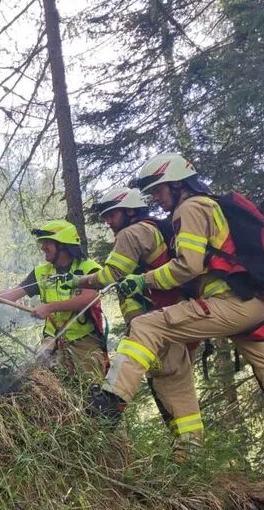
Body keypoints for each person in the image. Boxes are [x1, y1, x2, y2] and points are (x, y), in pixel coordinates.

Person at [85, 153, 264, 499]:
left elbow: (186, 267)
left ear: (177, 184)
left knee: (147, 325)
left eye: (159, 191)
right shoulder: (213, 206)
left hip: (230, 302)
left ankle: (110, 403)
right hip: (261, 304)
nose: (156, 200)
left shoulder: (190, 208)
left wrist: (142, 281)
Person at [76, 187, 203, 452]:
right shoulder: (155, 230)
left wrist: (79, 281)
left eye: (112, 215)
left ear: (130, 210)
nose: (108, 222)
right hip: (177, 319)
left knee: (171, 385)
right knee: (175, 385)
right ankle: (190, 451)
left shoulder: (132, 232)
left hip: (160, 323)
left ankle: (111, 403)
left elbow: (111, 274)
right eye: (105, 217)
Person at [0, 220, 107, 384]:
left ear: (63, 245)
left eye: (47, 243)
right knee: (41, 383)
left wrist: (49, 308)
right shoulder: (41, 273)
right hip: (53, 341)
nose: (43, 247)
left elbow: (88, 299)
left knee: (91, 391)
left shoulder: (90, 268)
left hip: (85, 342)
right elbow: (10, 295)